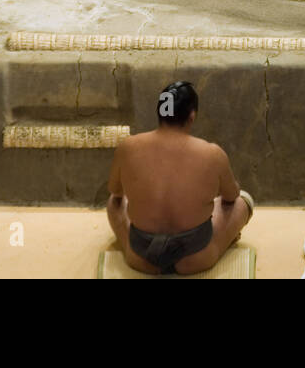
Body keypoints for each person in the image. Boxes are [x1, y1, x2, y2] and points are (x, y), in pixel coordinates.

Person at [106, 81, 254, 276]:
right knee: (243, 201)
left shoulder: (128, 147)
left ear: (160, 113)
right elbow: (231, 196)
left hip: (142, 256)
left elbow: (116, 192)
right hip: (196, 258)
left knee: (113, 203)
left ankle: (142, 256)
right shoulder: (212, 153)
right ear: (192, 116)